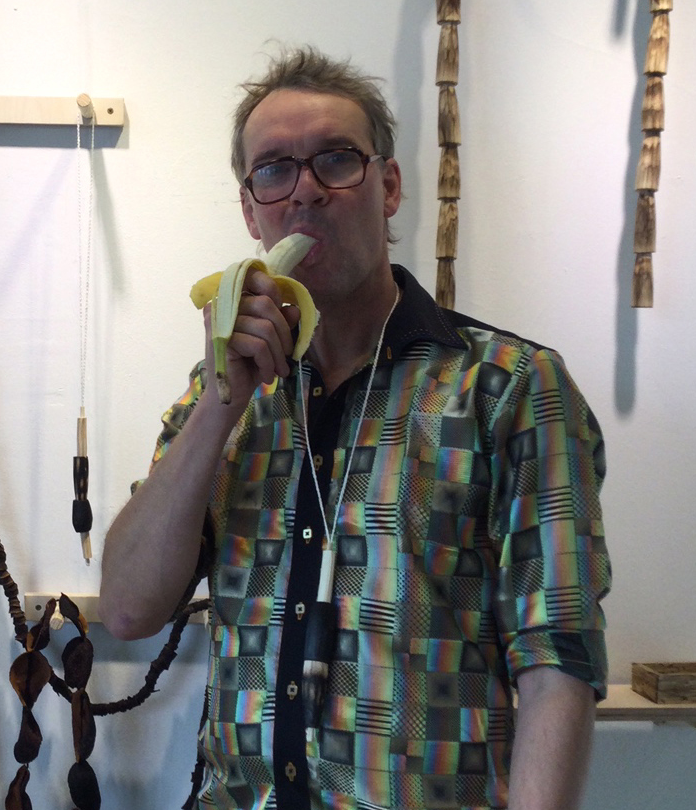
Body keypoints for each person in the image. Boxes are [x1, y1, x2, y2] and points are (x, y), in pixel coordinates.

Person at [99, 46, 610, 810]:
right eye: (273, 169)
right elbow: (131, 609)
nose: (305, 191)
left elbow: (556, 658)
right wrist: (218, 408)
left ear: (390, 184)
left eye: (335, 160)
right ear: (250, 210)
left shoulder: (508, 388)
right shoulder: (227, 400)